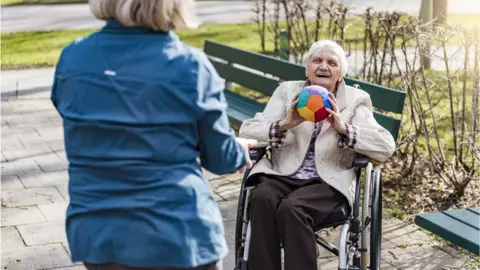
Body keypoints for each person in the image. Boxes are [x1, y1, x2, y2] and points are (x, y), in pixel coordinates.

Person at [50, 0, 255, 269]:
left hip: (98, 233)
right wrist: (238, 148)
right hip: (177, 234)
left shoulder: (72, 59)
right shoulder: (190, 66)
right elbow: (220, 159)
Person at [238, 40, 396, 270]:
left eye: (332, 62)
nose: (324, 66)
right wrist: (284, 124)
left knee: (292, 209)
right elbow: (248, 130)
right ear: (307, 69)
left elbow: (385, 146)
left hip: (328, 182)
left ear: (340, 74)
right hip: (282, 174)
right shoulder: (287, 92)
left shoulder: (354, 100)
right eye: (317, 60)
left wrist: (344, 129)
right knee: (262, 198)